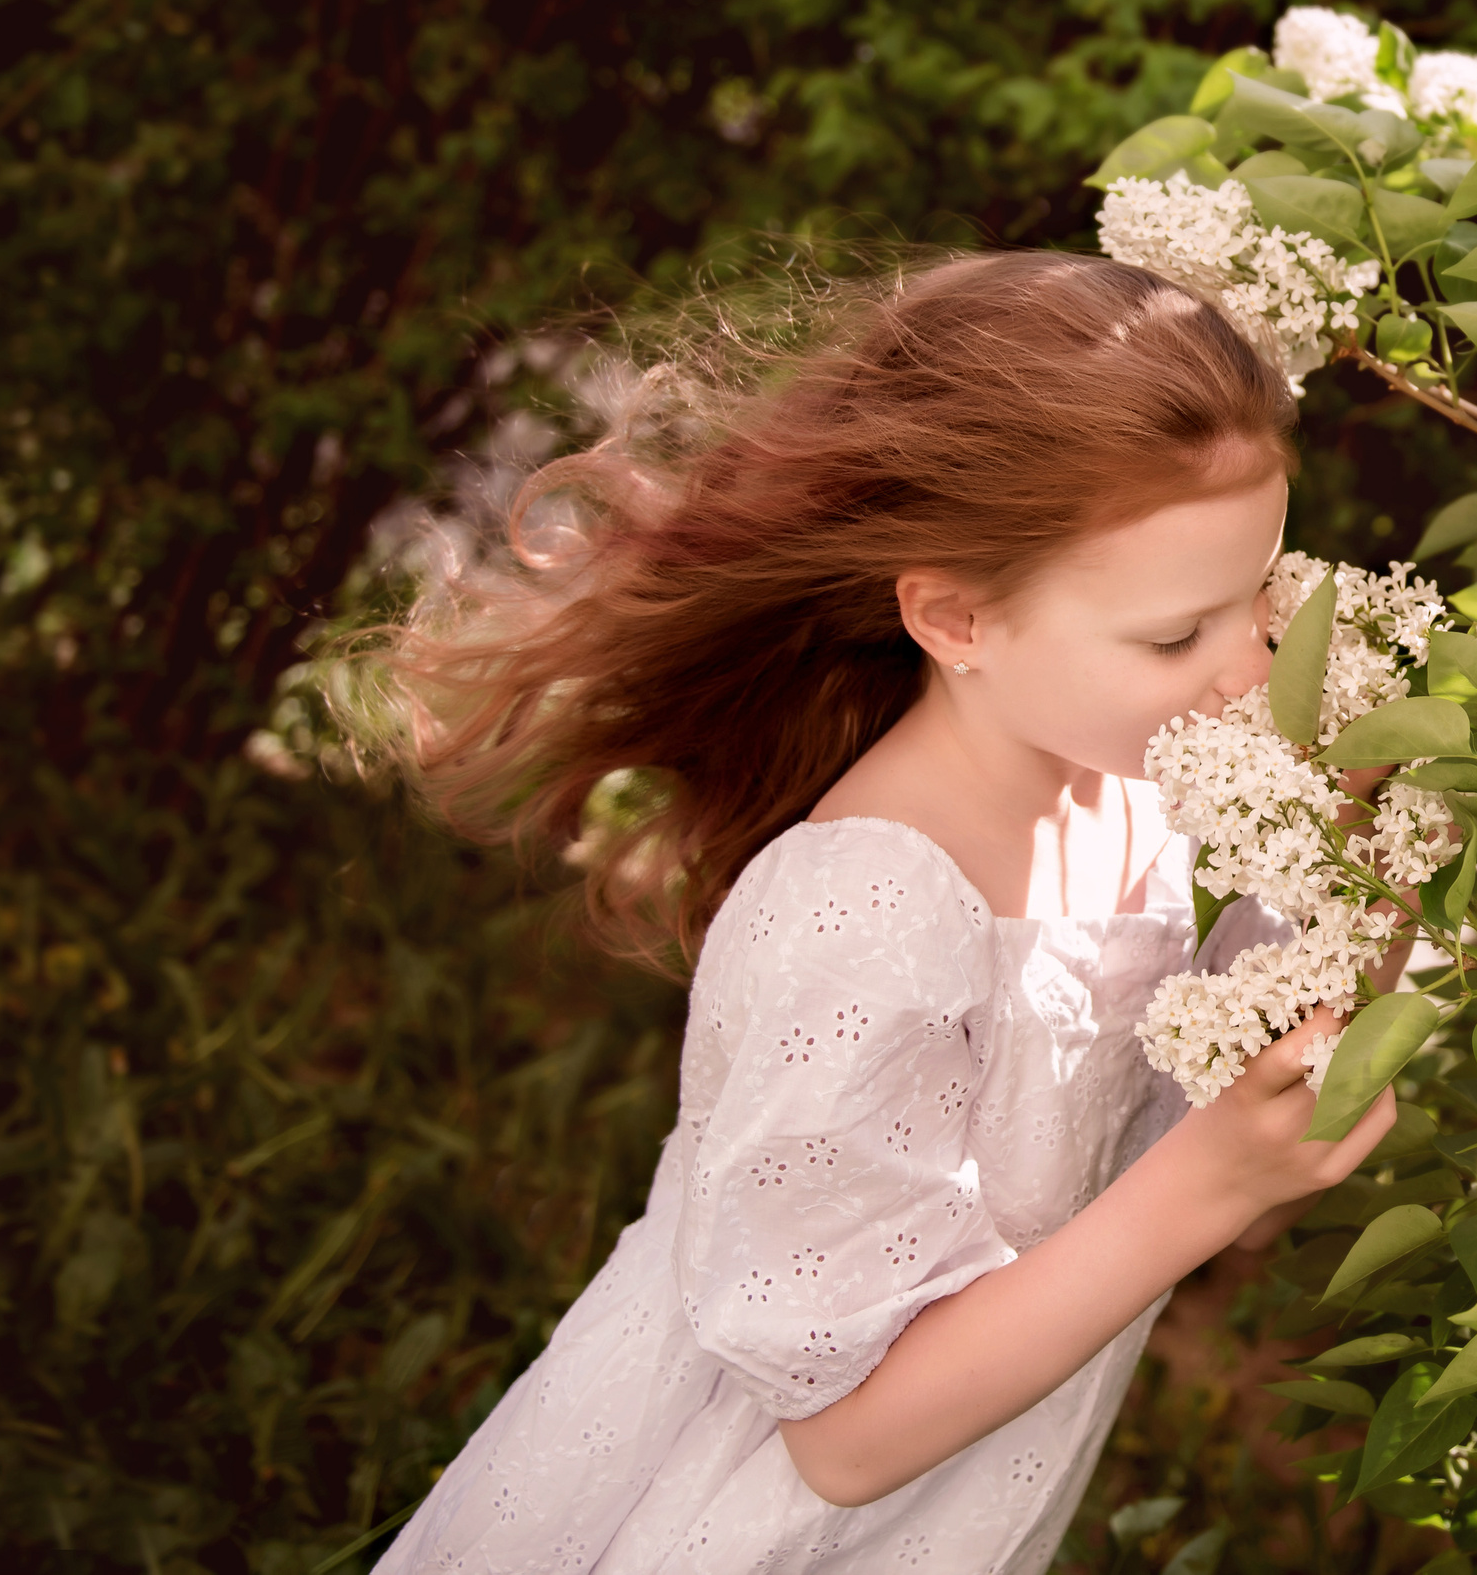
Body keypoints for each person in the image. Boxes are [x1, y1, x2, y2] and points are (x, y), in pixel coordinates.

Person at [355, 253, 1401, 1573]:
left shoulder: (1122, 795)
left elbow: (1255, 1083)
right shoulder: (869, 908)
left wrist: (1367, 835)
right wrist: (1208, 1185)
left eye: (1260, 594)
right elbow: (842, 1435)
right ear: (957, 617)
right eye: (1172, 635)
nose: (1251, 663)